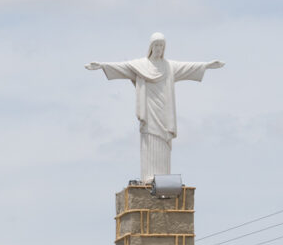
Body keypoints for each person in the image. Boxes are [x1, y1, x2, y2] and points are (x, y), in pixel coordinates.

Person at [86, 33, 223, 182]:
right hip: (148, 109)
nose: (159, 48)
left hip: (164, 109)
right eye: (156, 45)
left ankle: (163, 178)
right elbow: (122, 67)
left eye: (161, 46)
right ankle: (148, 177)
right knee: (149, 138)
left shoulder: (169, 66)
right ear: (151, 47)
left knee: (163, 141)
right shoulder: (140, 66)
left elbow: (188, 67)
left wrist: (207, 65)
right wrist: (102, 66)